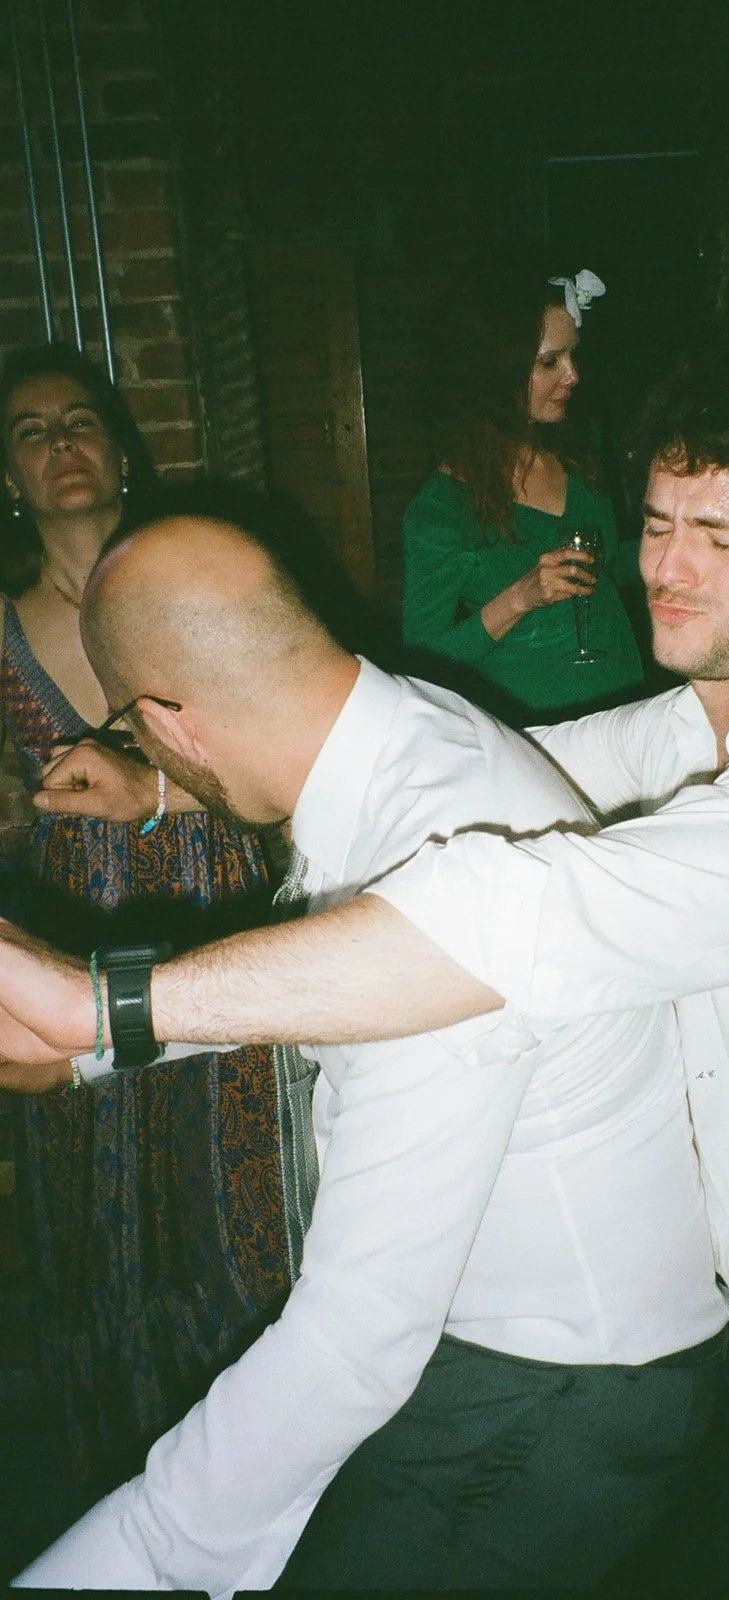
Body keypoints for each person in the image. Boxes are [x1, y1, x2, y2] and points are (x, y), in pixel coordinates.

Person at [0, 325, 729, 1590]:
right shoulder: (698, 729)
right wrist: (168, 787)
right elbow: (410, 809)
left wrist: (105, 1009)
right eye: (655, 522)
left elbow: (505, 912)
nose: (668, 570)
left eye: (722, 537)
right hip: (721, 1336)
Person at [4, 505, 729, 1593]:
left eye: (131, 728)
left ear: (175, 720)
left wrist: (104, 1566)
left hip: (560, 1384)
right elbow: (336, 972)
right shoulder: (397, 727)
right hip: (513, 1352)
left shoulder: (424, 840)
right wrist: (99, 1048)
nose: (137, 750)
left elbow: (353, 1342)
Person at [0, 345, 288, 1496]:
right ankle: (132, 1480)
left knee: (227, 1187)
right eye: (30, 430)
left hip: (208, 911)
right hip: (69, 935)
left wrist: (161, 787)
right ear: (9, 475)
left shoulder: (183, 592)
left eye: (80, 421)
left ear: (120, 450)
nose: (60, 443)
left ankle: (263, 1471)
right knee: (94, 1203)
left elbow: (273, 762)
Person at [401, 257, 645, 720]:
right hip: (533, 728)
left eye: (573, 355)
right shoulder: (440, 509)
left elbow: (608, 566)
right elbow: (423, 665)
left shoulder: (579, 454)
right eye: (550, 362)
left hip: (624, 706)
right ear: (496, 374)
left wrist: (678, 541)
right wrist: (520, 597)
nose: (573, 376)